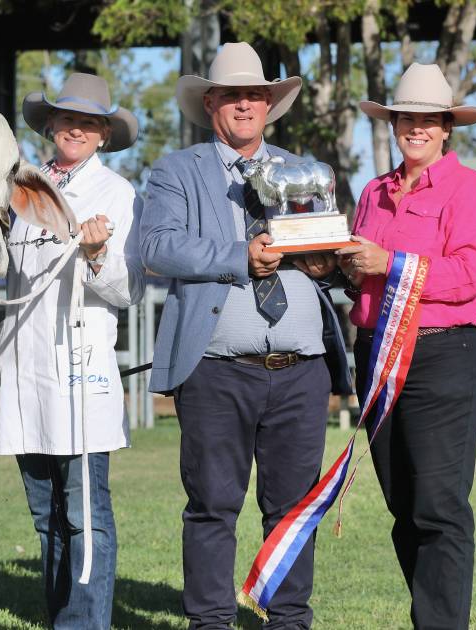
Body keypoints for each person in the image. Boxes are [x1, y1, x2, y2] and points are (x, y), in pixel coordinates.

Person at [139, 42, 351, 630]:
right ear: (211, 103)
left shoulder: (307, 171)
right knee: (212, 505)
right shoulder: (177, 171)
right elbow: (156, 247)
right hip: (215, 367)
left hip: (302, 368)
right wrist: (240, 256)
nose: (244, 105)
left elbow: (333, 251)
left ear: (269, 105)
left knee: (292, 509)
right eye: (232, 95)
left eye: (255, 95)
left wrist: (326, 264)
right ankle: (210, 621)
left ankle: (288, 620)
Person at [340, 62, 476, 629]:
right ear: (394, 123)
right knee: (403, 506)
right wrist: (337, 264)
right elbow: (361, 277)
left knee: (438, 506)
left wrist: (391, 263)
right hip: (377, 353)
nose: (417, 128)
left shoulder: (468, 189)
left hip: (441, 354)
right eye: (408, 118)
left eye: (428, 120)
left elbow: (471, 275)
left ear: (446, 127)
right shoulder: (373, 193)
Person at [0, 72, 143, 629]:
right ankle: (59, 614)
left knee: (84, 511)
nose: (75, 129)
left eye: (88, 122)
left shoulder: (116, 194)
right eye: (67, 118)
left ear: (103, 135)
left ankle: (82, 622)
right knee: (44, 514)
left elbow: (127, 291)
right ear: (50, 125)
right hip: (24, 368)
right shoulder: (15, 193)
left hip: (79, 369)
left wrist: (98, 253)